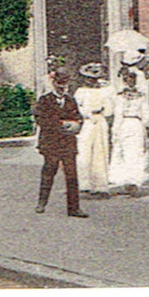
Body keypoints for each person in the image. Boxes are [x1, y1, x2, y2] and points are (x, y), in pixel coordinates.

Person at [34, 68, 87, 217]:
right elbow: (40, 120)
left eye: (65, 84)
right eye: (59, 83)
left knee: (72, 175)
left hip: (68, 143)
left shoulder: (71, 100)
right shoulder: (45, 100)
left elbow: (78, 117)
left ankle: (74, 208)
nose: (62, 87)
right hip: (51, 143)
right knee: (49, 171)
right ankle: (42, 202)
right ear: (54, 83)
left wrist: (76, 125)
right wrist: (60, 124)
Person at [73, 62, 115, 196]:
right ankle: (84, 183)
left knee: (101, 151)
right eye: (89, 78)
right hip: (87, 122)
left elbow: (109, 109)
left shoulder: (103, 91)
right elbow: (76, 107)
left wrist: (105, 111)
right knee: (84, 151)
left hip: (100, 120)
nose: (92, 81)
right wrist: (87, 114)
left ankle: (100, 185)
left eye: (94, 79)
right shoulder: (81, 92)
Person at [108, 66, 149, 193]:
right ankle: (126, 181)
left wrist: (115, 130)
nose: (129, 82)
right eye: (128, 79)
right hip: (130, 123)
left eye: (131, 79)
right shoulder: (126, 96)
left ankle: (132, 181)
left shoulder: (135, 96)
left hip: (130, 123)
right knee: (125, 151)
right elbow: (119, 114)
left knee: (132, 152)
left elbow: (145, 113)